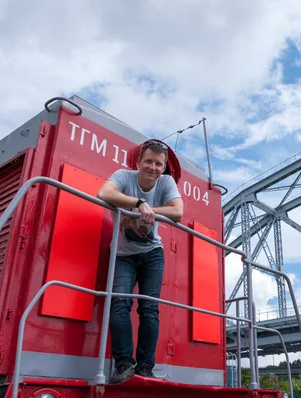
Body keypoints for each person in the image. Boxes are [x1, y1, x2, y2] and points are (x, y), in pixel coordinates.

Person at [97, 139, 183, 383]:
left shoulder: (165, 182)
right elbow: (104, 193)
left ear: (164, 167)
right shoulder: (124, 176)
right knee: (119, 304)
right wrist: (138, 203)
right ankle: (124, 364)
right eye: (148, 161)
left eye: (158, 163)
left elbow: (178, 212)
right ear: (139, 163)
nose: (153, 167)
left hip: (152, 254)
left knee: (149, 309)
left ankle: (145, 367)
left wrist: (151, 211)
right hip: (123, 255)